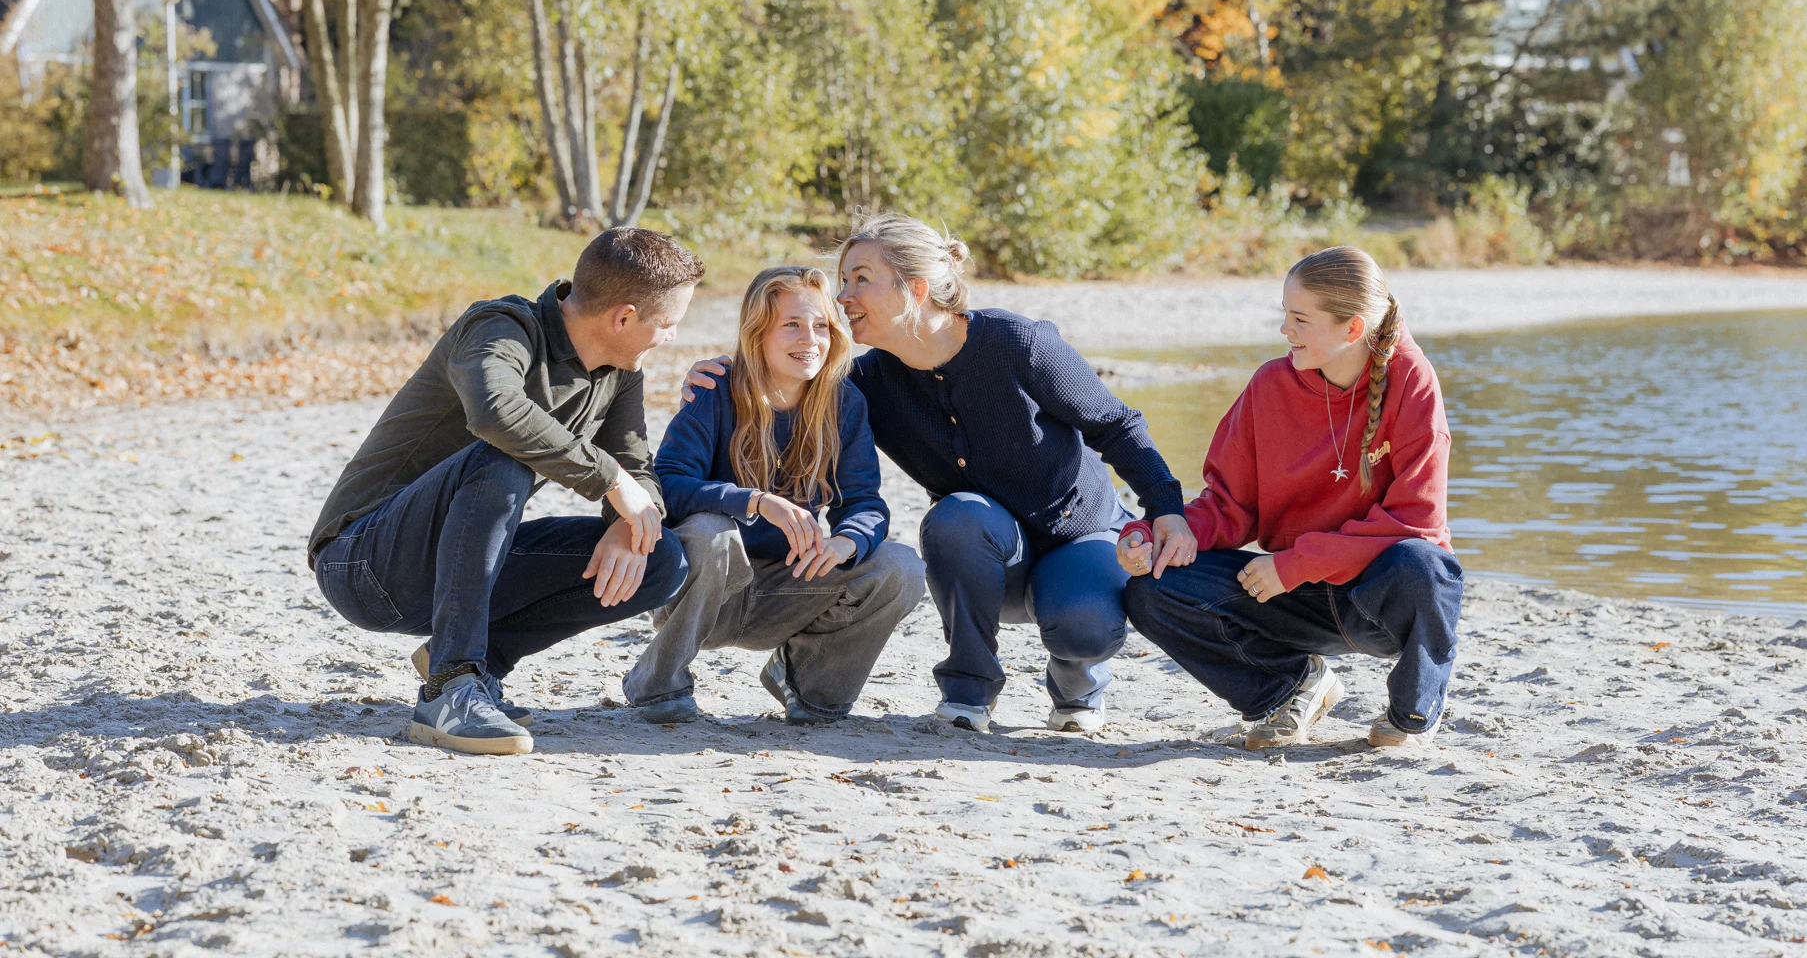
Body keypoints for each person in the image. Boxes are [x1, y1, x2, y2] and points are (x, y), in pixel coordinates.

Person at [685, 214, 1195, 734]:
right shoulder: (865, 385)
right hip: (984, 554)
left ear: (916, 289)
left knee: (1083, 626)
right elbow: (787, 384)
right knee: (957, 516)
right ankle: (968, 692)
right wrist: (725, 377)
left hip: (1081, 535)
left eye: (861, 278)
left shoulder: (1018, 344)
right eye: (844, 280)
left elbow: (1117, 425)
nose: (844, 296)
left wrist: (1167, 509)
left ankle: (1077, 684)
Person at [308, 228, 703, 756]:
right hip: (364, 565)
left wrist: (626, 523)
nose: (671, 337)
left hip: (463, 565)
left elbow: (636, 466)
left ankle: (478, 665)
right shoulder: (499, 328)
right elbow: (496, 413)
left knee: (660, 558)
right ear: (624, 318)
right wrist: (610, 481)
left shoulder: (620, 372)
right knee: (504, 454)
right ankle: (449, 685)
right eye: (669, 323)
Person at [1120, 245, 1462, 750]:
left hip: (1375, 599)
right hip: (1291, 593)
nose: (1285, 330)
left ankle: (1413, 711)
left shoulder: (1412, 380)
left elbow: (1418, 519)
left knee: (1425, 567)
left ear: (1352, 328)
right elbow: (1230, 505)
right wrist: (1160, 534)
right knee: (1152, 589)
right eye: (1285, 314)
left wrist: (1296, 563)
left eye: (1300, 319)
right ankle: (1291, 686)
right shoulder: (1269, 386)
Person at [622, 266, 925, 724]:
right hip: (704, 589)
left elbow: (864, 502)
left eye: (821, 326)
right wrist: (754, 501)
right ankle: (658, 682)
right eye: (792, 325)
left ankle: (806, 683)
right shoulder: (715, 389)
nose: (810, 339)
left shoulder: (843, 401)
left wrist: (847, 541)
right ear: (758, 331)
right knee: (710, 531)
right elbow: (669, 485)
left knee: (900, 567)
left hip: (789, 587)